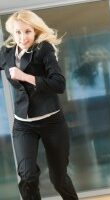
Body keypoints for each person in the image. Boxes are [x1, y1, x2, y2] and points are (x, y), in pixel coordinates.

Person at [0, 10, 78, 200]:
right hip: (23, 125)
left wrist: (25, 76)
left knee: (58, 178)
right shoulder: (7, 53)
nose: (22, 37)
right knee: (27, 176)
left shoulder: (44, 50)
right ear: (12, 32)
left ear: (35, 31)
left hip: (52, 123)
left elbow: (59, 84)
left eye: (27, 31)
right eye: (17, 32)